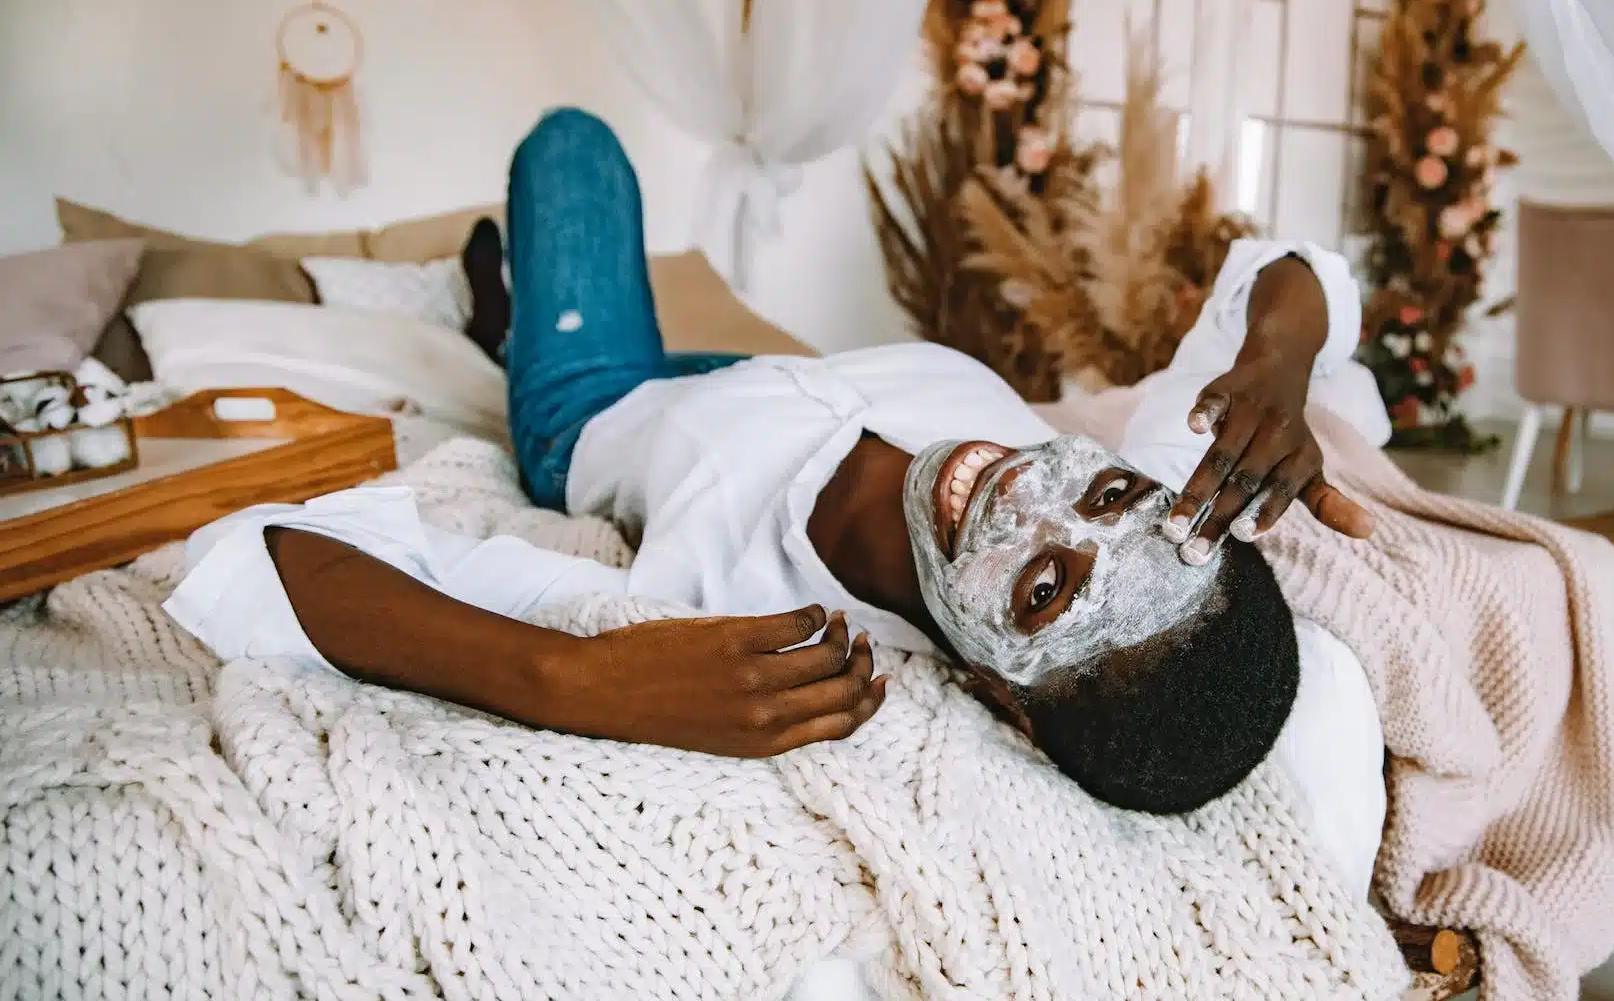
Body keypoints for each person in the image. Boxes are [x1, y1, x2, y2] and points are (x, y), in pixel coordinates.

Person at [165, 108, 1383, 814]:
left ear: (1002, 700)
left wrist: (567, 678)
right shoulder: (1152, 515)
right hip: (761, 366)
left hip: (608, 406)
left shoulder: (749, 627)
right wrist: (1279, 361)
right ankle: (503, 303)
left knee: (574, 146)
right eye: (1109, 490)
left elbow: (265, 557)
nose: (1027, 496)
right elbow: (1294, 274)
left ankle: (512, 326)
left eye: (1042, 588)